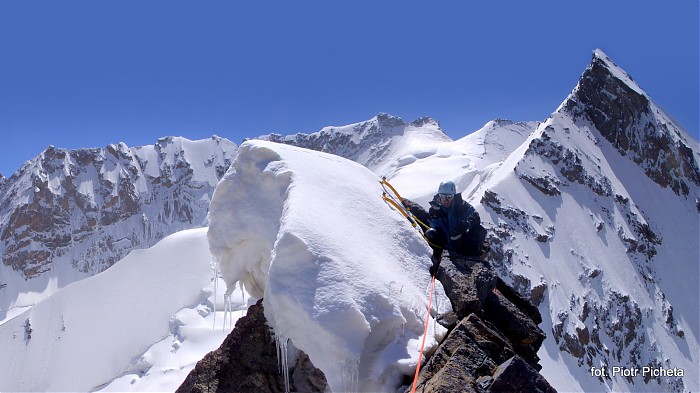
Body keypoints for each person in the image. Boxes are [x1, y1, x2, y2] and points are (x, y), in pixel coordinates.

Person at [423, 180, 486, 275]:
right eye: (443, 197)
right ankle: (434, 262)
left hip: (460, 241)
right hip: (444, 243)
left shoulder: (461, 206)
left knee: (479, 230)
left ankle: (473, 259)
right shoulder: (435, 209)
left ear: (454, 196)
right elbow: (437, 226)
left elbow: (474, 216)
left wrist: (465, 224)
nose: (446, 200)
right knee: (430, 234)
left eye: (449, 197)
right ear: (439, 196)